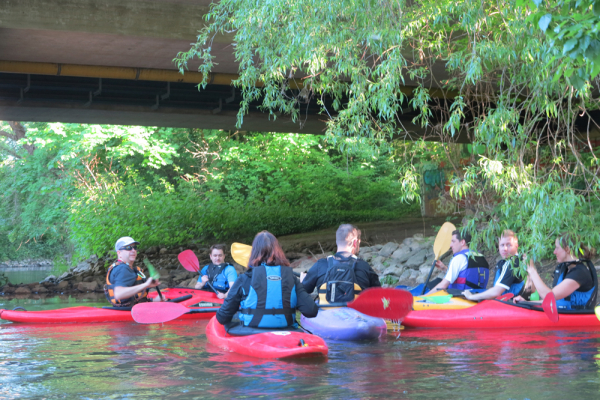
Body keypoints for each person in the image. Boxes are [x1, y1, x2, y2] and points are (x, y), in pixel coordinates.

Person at [216, 231, 318, 332]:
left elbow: (222, 317)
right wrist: (302, 286)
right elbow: (311, 311)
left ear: (254, 253)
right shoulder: (291, 278)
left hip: (252, 333)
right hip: (287, 331)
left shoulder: (245, 278)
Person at [301, 224, 380, 304]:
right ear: (355, 242)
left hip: (327, 315)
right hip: (356, 315)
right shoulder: (363, 266)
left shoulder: (320, 265)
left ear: (336, 241)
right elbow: (378, 294)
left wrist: (303, 281)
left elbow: (303, 291)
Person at [514, 235, 598, 309]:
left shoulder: (580, 273)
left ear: (567, 249)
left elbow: (548, 296)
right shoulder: (565, 269)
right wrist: (525, 302)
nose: (554, 252)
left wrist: (531, 270)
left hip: (576, 322)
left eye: (557, 248)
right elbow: (553, 302)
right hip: (563, 318)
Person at [463, 230, 524, 301]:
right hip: (505, 298)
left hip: (508, 303)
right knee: (469, 291)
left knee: (468, 294)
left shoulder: (513, 262)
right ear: (498, 246)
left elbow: (497, 292)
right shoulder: (505, 262)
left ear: (517, 246)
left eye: (509, 245)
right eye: (502, 245)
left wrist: (471, 297)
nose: (505, 249)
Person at [104, 236, 162, 307]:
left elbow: (135, 299)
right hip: (127, 312)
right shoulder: (122, 269)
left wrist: (153, 301)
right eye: (128, 248)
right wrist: (145, 285)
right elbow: (119, 294)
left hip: (133, 308)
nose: (133, 250)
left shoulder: (128, 268)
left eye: (135, 248)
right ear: (119, 253)